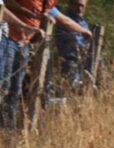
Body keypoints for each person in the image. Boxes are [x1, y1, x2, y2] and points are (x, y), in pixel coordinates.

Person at [2, 0, 90, 129]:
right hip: (8, 38)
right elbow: (6, 4)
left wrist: (83, 30)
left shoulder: (48, 2)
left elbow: (62, 19)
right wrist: (33, 18)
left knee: (15, 88)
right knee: (4, 86)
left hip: (25, 42)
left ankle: (8, 128)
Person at [0, 1, 45, 103]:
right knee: (4, 84)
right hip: (8, 40)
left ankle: (8, 112)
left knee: (8, 86)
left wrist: (23, 25)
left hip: (7, 39)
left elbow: (2, 9)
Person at [52, 0, 90, 90]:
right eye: (76, 5)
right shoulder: (64, 20)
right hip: (67, 59)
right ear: (70, 5)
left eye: (82, 6)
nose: (79, 8)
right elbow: (69, 40)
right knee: (70, 88)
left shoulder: (84, 24)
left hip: (81, 61)